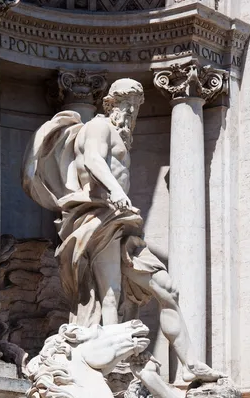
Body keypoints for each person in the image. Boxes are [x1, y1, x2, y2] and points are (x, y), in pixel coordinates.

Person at [22, 78, 219, 382]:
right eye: (127, 107)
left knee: (167, 289)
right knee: (109, 296)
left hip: (123, 222)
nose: (131, 114)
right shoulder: (99, 127)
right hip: (99, 219)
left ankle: (190, 364)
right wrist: (115, 190)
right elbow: (92, 160)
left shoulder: (121, 135)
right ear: (111, 104)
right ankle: (112, 373)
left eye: (136, 108)